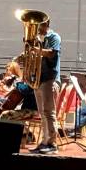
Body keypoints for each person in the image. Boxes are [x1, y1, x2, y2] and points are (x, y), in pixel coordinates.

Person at [28, 19, 61, 154]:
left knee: (49, 112)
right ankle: (44, 142)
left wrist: (36, 49)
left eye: (38, 25)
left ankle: (52, 144)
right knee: (42, 113)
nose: (36, 28)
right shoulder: (37, 38)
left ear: (46, 25)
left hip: (49, 78)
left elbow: (51, 53)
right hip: (38, 78)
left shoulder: (54, 37)